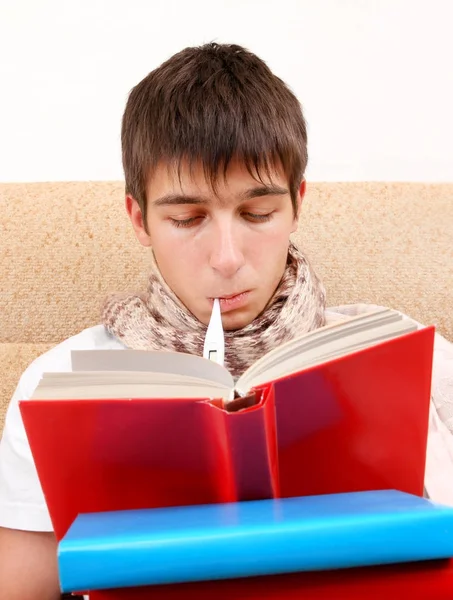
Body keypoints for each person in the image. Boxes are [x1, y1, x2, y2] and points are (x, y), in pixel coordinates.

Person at [0, 42, 452, 600]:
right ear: (139, 220)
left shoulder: (404, 350)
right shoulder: (58, 383)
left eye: (258, 214)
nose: (227, 257)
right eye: (188, 219)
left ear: (296, 203)